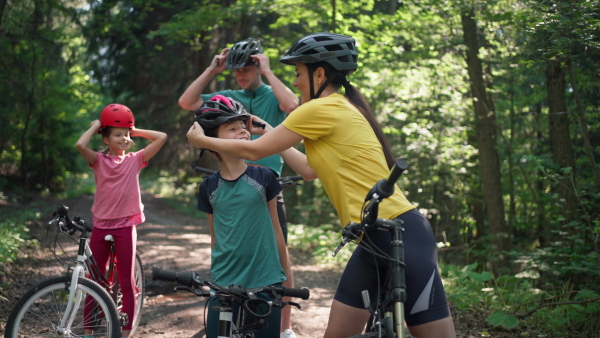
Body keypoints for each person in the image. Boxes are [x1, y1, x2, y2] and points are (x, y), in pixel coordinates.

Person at [186, 32, 457, 338]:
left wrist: (200, 139)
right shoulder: (337, 108)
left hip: (401, 232)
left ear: (319, 74)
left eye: (299, 74)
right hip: (372, 238)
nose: (297, 82)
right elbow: (308, 169)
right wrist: (267, 130)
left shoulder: (320, 109)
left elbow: (254, 152)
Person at [178, 37, 299, 337]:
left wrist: (269, 71)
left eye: (247, 68)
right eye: (236, 71)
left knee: (276, 246)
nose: (241, 75)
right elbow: (187, 102)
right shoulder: (229, 97)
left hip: (266, 180)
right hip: (228, 179)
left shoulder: (272, 94)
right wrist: (212, 69)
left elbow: (291, 105)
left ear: (257, 66)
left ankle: (284, 326)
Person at [194, 95, 292, 338]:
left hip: (266, 281)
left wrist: (285, 283)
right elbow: (215, 239)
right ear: (212, 140)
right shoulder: (208, 187)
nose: (243, 132)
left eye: (243, 127)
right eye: (232, 128)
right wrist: (215, 283)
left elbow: (277, 234)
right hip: (224, 284)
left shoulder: (264, 177)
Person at [76, 103, 167, 338]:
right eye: (118, 135)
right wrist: (97, 125)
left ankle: (124, 333)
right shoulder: (98, 161)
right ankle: (88, 331)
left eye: (127, 135)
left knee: (126, 281)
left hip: (126, 226)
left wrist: (134, 130)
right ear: (105, 140)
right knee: (93, 280)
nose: (125, 139)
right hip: (102, 225)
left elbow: (162, 137)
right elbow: (79, 145)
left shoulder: (135, 160)